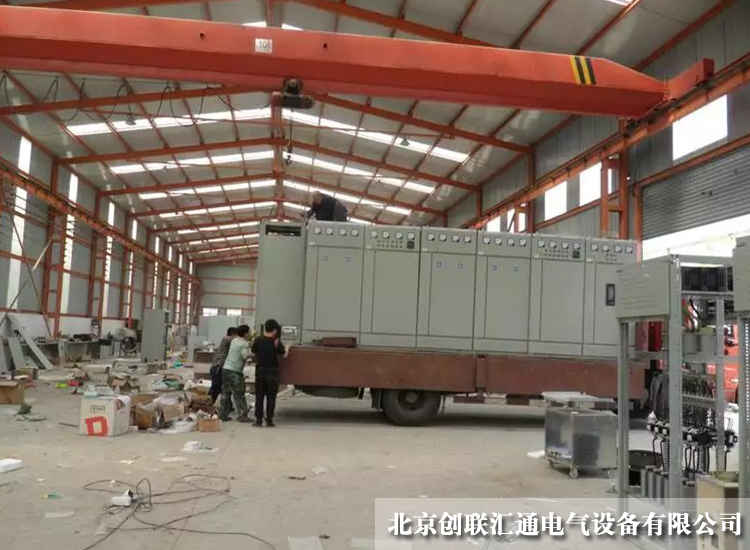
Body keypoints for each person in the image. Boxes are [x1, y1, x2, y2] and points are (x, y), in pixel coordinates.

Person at [251, 319, 289, 427]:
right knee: (271, 397)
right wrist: (287, 348)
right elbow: (284, 355)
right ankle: (269, 420)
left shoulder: (258, 340)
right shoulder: (276, 341)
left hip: (260, 371)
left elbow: (253, 351)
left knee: (259, 397)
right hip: (272, 372)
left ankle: (258, 420)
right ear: (275, 330)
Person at [219, 324, 252, 423]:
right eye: (249, 332)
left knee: (225, 392)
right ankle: (242, 416)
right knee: (239, 393)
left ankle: (223, 415)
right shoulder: (244, 344)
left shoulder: (234, 340)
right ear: (245, 334)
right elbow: (245, 356)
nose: (250, 333)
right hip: (235, 371)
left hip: (226, 369)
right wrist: (252, 353)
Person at [209, 326, 237, 405]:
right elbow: (233, 340)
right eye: (236, 335)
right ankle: (208, 404)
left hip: (220, 367)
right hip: (217, 367)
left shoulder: (228, 340)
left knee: (224, 388)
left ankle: (227, 406)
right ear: (232, 334)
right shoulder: (226, 339)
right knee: (216, 387)